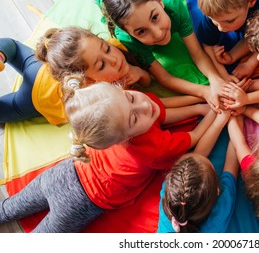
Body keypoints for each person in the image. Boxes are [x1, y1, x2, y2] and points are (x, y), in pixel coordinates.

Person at [0, 77, 217, 233]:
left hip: (59, 174)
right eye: (133, 118)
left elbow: (162, 112)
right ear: (123, 138)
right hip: (80, 202)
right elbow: (195, 136)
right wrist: (216, 113)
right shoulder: (154, 149)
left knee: (8, 208)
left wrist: (198, 108)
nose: (144, 104)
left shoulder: (117, 112)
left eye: (131, 97)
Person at [97, 0, 226, 112]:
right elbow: (163, 78)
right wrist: (204, 91)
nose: (158, 34)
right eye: (141, 31)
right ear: (128, 33)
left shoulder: (174, 5)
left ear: (159, 0)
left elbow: (197, 54)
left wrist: (215, 79)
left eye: (155, 17)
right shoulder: (127, 39)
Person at [0, 27, 151, 124]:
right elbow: (146, 107)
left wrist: (141, 73)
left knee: (12, 46)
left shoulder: (110, 49)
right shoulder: (100, 98)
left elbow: (147, 83)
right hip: (37, 94)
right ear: (87, 79)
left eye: (106, 49)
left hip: (42, 67)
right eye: (101, 65)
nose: (114, 59)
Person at [157, 110, 239, 233]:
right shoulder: (220, 209)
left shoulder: (169, 195)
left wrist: (219, 122)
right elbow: (233, 158)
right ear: (217, 190)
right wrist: (236, 117)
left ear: (170, 177)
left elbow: (196, 156)